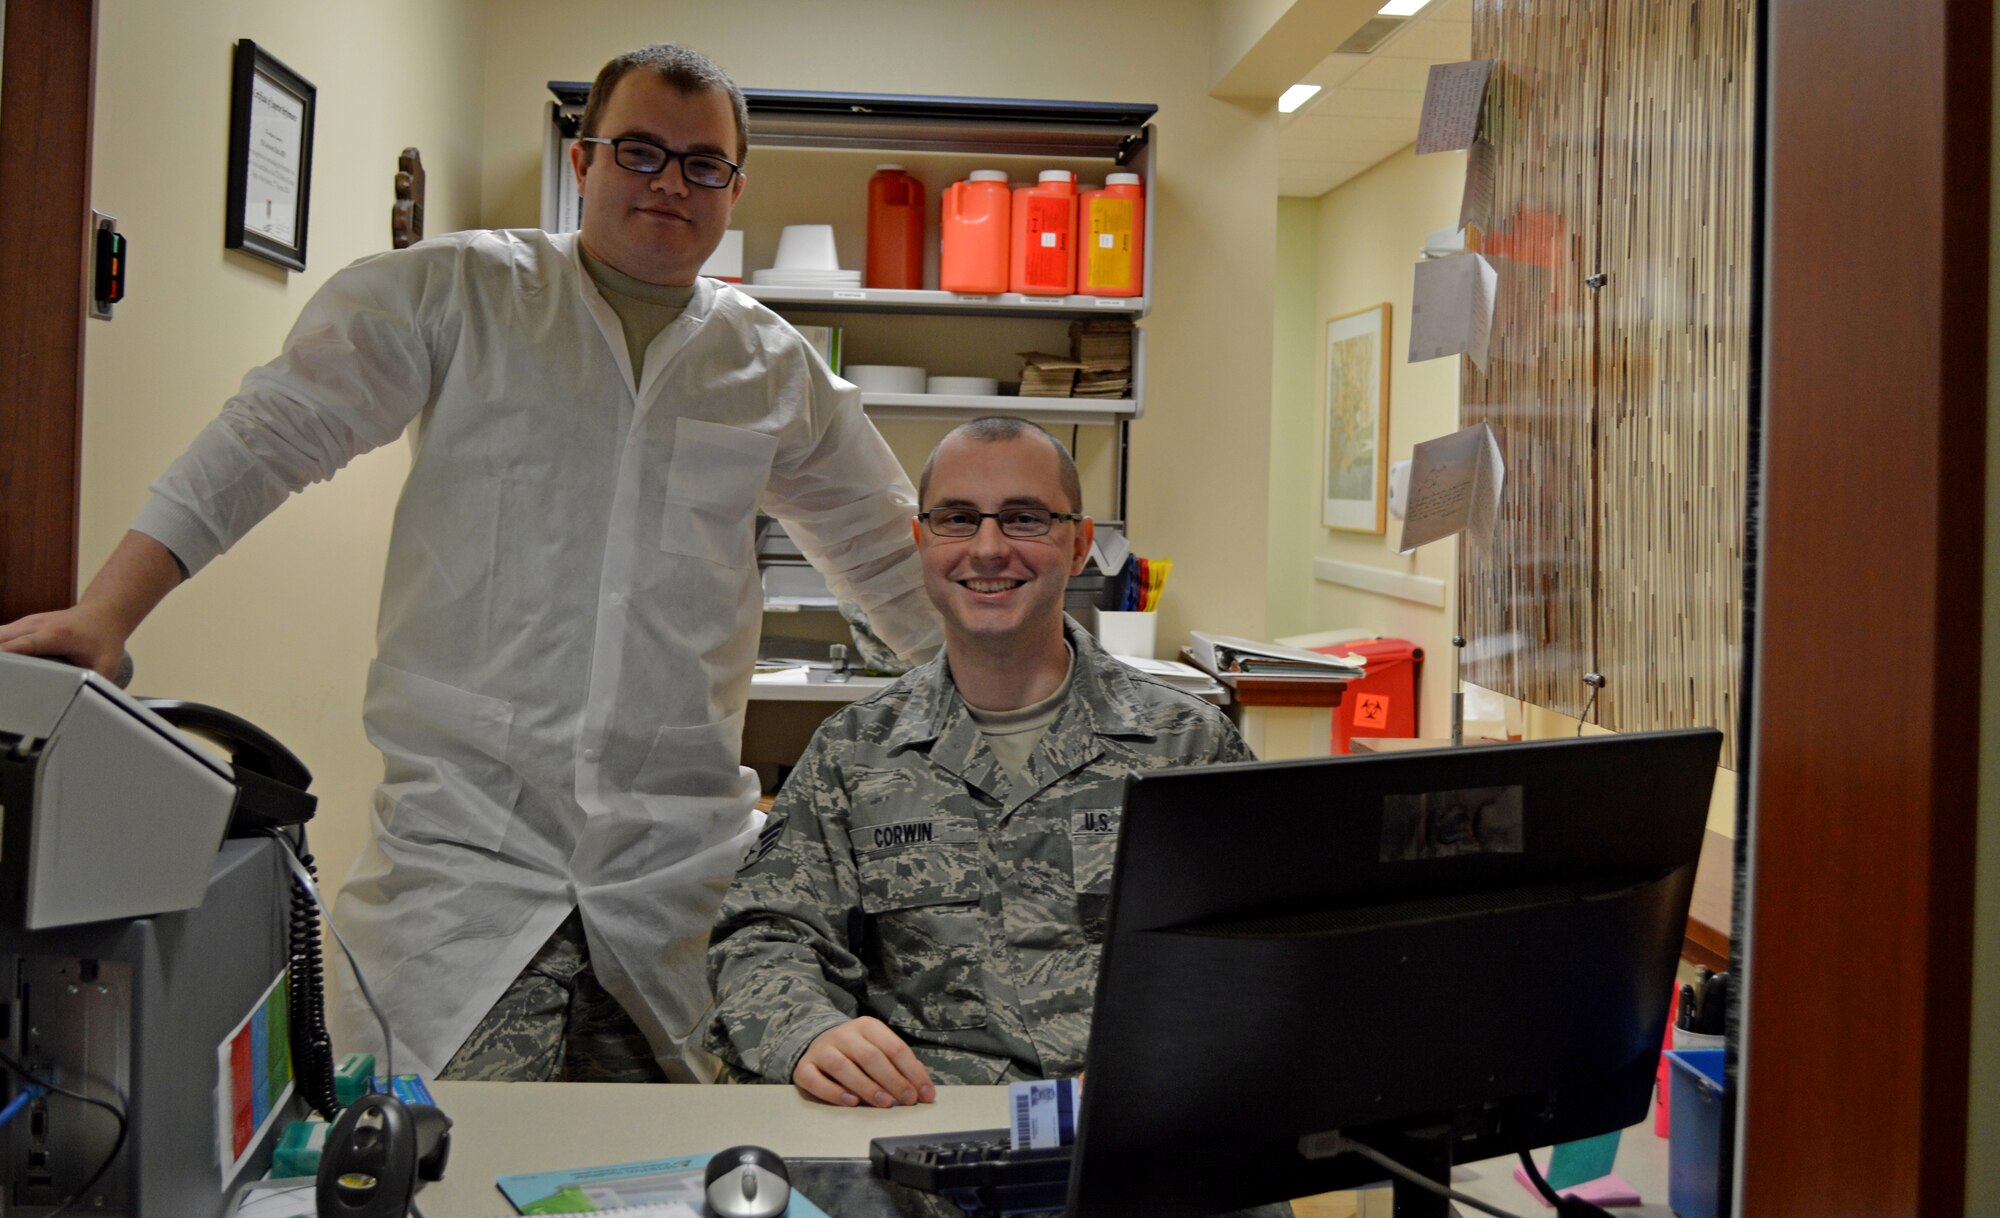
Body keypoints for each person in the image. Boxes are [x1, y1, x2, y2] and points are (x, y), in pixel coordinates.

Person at [0, 43, 940, 1083]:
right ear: (583, 162)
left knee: (686, 1171)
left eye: (702, 163)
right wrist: (106, 615)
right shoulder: (459, 296)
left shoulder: (770, 368)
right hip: (463, 872)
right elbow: (268, 439)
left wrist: (1061, 705)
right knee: (439, 1165)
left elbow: (893, 560)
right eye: (639, 150)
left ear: (733, 188)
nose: (670, 181)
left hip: (677, 874)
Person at [705, 417, 1253, 1105]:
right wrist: (808, 1030)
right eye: (958, 520)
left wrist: (1175, 1058)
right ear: (922, 543)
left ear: (1080, 544)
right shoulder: (855, 755)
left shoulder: (1188, 746)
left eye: (1025, 518)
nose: (989, 549)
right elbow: (768, 935)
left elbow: (1264, 951)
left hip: (1138, 1130)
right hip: (928, 1145)